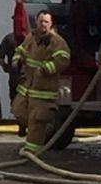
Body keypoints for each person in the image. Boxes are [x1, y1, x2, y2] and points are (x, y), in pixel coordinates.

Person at [13, 8, 71, 150]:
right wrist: (16, 61)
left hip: (43, 91)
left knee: (37, 121)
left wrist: (46, 69)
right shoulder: (31, 37)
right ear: (36, 22)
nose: (43, 24)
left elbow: (63, 59)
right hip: (27, 87)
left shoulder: (57, 41)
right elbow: (20, 50)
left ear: (51, 24)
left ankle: (32, 152)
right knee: (18, 111)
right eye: (41, 21)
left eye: (46, 22)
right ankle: (42, 133)